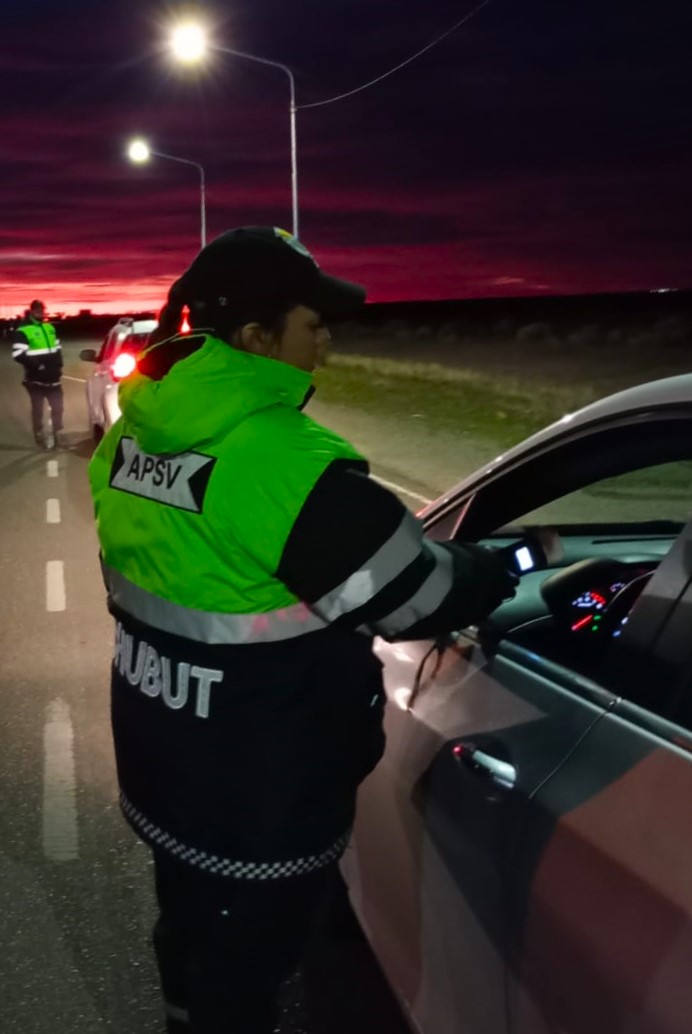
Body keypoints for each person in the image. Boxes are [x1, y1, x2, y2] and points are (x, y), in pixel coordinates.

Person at [87, 227, 518, 1034]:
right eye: (311, 322)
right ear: (256, 337)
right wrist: (507, 567)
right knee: (250, 976)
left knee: (188, 939)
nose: (327, 339)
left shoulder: (128, 438)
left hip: (161, 754)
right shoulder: (286, 462)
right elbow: (418, 599)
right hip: (261, 788)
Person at [11, 299, 64, 449]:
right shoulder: (23, 330)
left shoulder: (50, 328)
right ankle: (39, 433)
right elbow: (18, 354)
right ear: (32, 311)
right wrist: (37, 365)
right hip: (35, 378)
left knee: (58, 406)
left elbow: (57, 348)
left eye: (43, 310)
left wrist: (59, 365)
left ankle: (57, 433)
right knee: (38, 407)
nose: (41, 313)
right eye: (38, 310)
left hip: (53, 376)